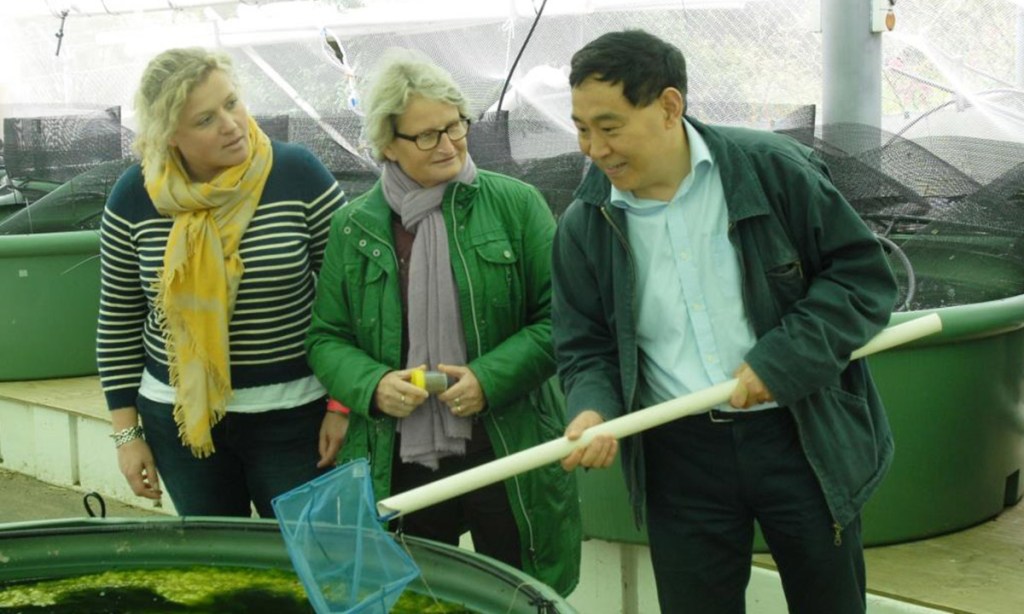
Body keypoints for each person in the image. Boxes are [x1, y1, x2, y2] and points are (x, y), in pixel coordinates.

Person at [552, 30, 898, 613]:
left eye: (609, 127)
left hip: (799, 435)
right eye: (582, 128)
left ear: (668, 106)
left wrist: (782, 361)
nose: (593, 148)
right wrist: (593, 406)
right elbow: (585, 346)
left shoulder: (772, 171)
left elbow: (862, 278)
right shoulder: (585, 224)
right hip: (679, 456)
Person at [305, 48, 581, 596]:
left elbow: (561, 322)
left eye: (455, 126)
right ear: (387, 144)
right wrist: (373, 386)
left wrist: (490, 378)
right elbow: (326, 338)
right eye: (426, 135)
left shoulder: (517, 206)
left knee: (519, 594)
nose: (450, 144)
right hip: (400, 454)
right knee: (419, 598)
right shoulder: (354, 227)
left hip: (506, 445)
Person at [97, 48, 348, 518]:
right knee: (221, 570)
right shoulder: (134, 195)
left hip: (296, 421)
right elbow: (118, 322)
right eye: (206, 119)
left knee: (313, 564)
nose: (232, 124)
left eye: (232, 103)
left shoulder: (298, 174)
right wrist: (127, 436)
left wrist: (341, 405)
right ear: (170, 135)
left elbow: (350, 302)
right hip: (182, 425)